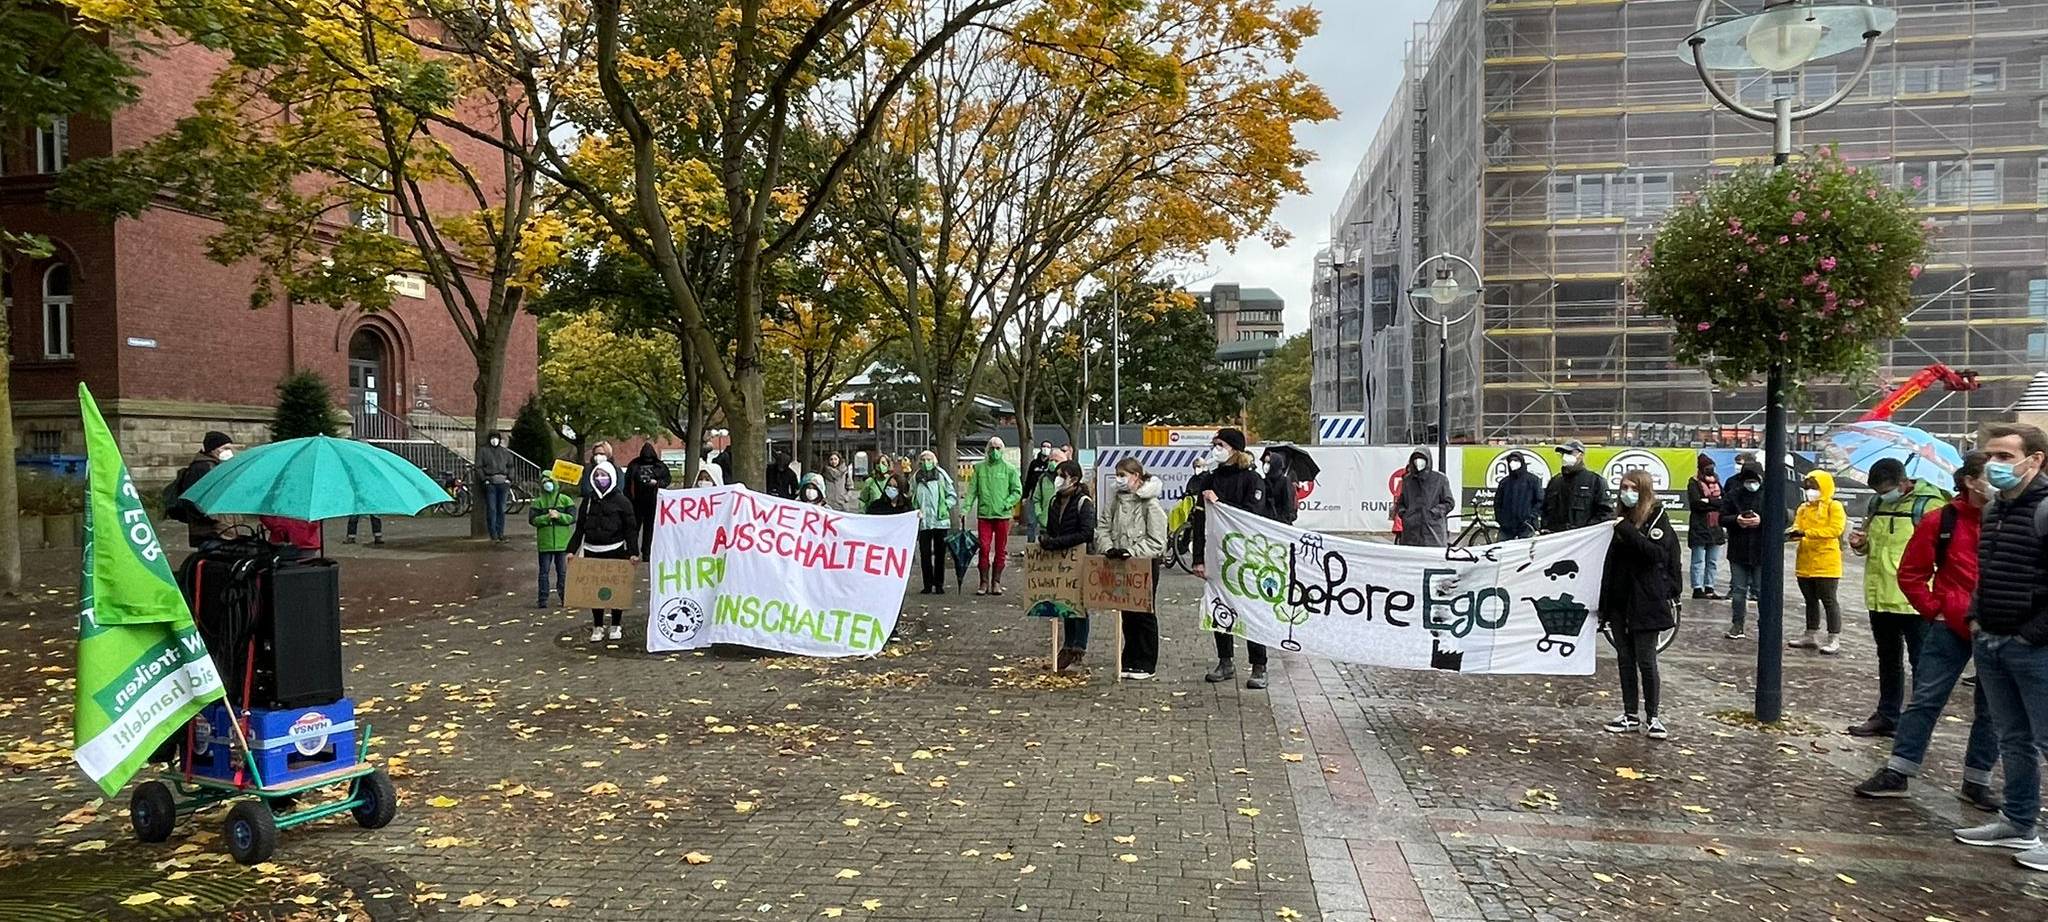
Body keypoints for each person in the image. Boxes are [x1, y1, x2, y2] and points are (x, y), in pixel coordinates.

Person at [1853, 453, 2000, 811]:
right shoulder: (1942, 519)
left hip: (2000, 626)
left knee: (1992, 707)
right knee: (1925, 699)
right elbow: (1912, 572)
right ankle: (1899, 771)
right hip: (1948, 624)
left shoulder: (2017, 520)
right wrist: (1939, 609)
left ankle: (1978, 781)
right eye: (1992, 472)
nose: (2001, 479)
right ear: (1970, 480)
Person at [1951, 423, 2048, 872]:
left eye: (2006, 457)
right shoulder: (1994, 511)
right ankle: (2018, 821)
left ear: (2036, 460)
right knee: (2013, 739)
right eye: (1990, 455)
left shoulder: (2045, 509)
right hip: (1990, 639)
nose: (1994, 465)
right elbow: (1986, 572)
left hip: (2034, 647)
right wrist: (1975, 616)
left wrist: (2031, 634)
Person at [1846, 457, 1950, 737]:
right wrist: (1860, 544)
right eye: (1879, 492)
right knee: (1887, 659)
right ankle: (1887, 714)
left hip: (1915, 600)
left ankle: (1918, 722)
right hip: (1879, 596)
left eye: (1887, 490)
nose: (1884, 496)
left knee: (1922, 662)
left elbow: (1946, 552)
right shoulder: (1876, 504)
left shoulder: (1930, 506)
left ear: (1904, 482)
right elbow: (1870, 544)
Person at [1600, 469, 1680, 740]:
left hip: (1646, 601)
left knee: (1646, 660)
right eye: (1623, 487)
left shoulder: (1657, 518)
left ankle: (1654, 716)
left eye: (1633, 488)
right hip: (1620, 602)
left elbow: (1656, 554)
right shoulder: (1617, 521)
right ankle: (1630, 714)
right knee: (1625, 660)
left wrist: (1626, 530)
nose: (1627, 493)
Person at [1189, 428, 1272, 690]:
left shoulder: (1252, 479)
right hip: (1217, 556)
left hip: (1247, 557)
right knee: (1220, 608)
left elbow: (1252, 514)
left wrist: (1221, 503)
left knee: (1251, 610)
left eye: (1220, 444)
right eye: (1214, 444)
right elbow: (1200, 519)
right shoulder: (1210, 479)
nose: (1215, 448)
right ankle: (1225, 661)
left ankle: (1259, 665)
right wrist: (1198, 558)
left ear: (1234, 448)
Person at [1097, 458, 1167, 679]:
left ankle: (1146, 661)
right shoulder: (1115, 501)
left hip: (1143, 563)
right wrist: (1109, 548)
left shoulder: (1150, 504)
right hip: (1119, 561)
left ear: (1136, 476)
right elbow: (1102, 527)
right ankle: (1130, 657)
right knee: (1126, 611)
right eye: (1117, 475)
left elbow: (1157, 541)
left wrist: (1132, 551)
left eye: (1123, 475)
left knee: (1143, 611)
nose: (1119, 479)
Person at [568, 450, 638, 643]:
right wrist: (571, 550)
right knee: (594, 592)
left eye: (604, 475)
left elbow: (631, 529)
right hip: (592, 550)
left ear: (612, 478)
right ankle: (598, 625)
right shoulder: (589, 501)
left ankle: (616, 624)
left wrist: (633, 552)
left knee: (615, 590)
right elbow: (580, 527)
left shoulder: (622, 502)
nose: (601, 479)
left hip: (615, 550)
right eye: (597, 475)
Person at [1036, 459, 1097, 671]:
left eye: (1063, 476)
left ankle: (1078, 648)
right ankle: (1066, 646)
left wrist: (1057, 542)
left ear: (1075, 479)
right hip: (1061, 562)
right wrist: (1046, 540)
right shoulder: (1055, 501)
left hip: (1079, 560)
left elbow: (1086, 533)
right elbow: (1053, 528)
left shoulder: (1084, 502)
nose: (1058, 480)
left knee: (1078, 605)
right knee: (1064, 603)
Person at [1787, 470, 1847, 654]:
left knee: (1829, 600)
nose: (1810, 491)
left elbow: (1835, 529)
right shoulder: (1803, 508)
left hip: (1826, 562)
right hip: (1805, 561)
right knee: (1810, 600)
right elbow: (1798, 526)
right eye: (1808, 487)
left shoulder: (1834, 506)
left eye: (1814, 487)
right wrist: (1793, 533)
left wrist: (1807, 533)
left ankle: (1833, 637)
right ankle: (1810, 634)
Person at [1719, 457, 1766, 639]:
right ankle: (1737, 625)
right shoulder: (1734, 494)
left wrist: (1761, 520)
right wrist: (1737, 520)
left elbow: (1782, 517)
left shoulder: (1769, 494)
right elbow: (1722, 517)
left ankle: (1765, 625)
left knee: (1761, 591)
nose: (1751, 484)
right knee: (1738, 591)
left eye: (1754, 480)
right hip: (1738, 550)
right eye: (1747, 480)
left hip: (1761, 550)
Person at [970, 438, 1023, 595]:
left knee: (1001, 550)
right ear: (987, 450)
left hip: (1003, 516)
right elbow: (972, 490)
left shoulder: (1010, 469)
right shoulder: (979, 468)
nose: (995, 451)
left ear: (1003, 450)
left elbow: (1017, 490)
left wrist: (1007, 503)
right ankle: (983, 582)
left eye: (998, 448)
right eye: (992, 448)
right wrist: (965, 508)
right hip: (984, 515)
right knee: (984, 548)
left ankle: (996, 582)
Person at [167, 431, 234, 547]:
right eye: (225, 448)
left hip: (221, 530)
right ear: (213, 449)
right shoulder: (201, 468)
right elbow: (192, 499)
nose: (229, 452)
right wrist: (212, 518)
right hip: (211, 532)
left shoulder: (216, 466)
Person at [912, 450, 958, 594]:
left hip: (940, 521)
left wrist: (946, 506)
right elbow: (911, 495)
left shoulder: (941, 476)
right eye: (924, 460)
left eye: (929, 459)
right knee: (924, 554)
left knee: (940, 554)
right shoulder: (915, 478)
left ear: (934, 461)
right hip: (923, 521)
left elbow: (952, 495)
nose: (926, 463)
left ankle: (939, 584)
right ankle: (927, 584)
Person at [529, 472, 577, 609]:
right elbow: (532, 520)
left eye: (549, 481)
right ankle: (542, 599)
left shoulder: (565, 500)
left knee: (562, 572)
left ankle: (565, 597)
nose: (547, 484)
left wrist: (559, 516)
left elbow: (572, 518)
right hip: (545, 544)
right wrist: (546, 518)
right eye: (544, 482)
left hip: (562, 544)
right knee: (544, 572)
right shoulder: (538, 502)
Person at [1542, 440, 1611, 533]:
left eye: (1570, 453)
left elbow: (1605, 513)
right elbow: (1545, 512)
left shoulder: (1595, 481)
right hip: (1556, 540)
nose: (1565, 456)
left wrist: (1585, 531)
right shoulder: (1554, 482)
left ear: (1581, 455)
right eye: (1563, 453)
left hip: (1583, 541)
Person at [1685, 454, 1727, 599]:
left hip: (1715, 527)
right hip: (1699, 526)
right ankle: (1697, 588)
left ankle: (1710, 587)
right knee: (1698, 560)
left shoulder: (1717, 482)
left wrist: (1707, 501)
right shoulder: (1693, 482)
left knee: (1713, 561)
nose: (1710, 470)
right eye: (1708, 468)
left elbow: (1724, 501)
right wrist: (1714, 502)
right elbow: (1696, 504)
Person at [1393, 450, 1452, 547]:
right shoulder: (1407, 480)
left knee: (1434, 560)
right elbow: (1401, 502)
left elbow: (1449, 502)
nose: (1418, 461)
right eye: (1415, 458)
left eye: (1421, 458)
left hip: (1433, 533)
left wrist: (1434, 513)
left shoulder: (1440, 479)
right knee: (1411, 560)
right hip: (1410, 534)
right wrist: (1405, 515)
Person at [625, 443, 672, 558]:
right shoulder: (634, 465)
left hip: (653, 503)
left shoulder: (659, 466)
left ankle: (647, 552)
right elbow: (627, 483)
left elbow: (666, 480)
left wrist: (657, 483)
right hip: (636, 503)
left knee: (650, 530)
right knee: (633, 529)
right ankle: (633, 551)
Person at [477, 430, 516, 542]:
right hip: (490, 482)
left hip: (503, 483)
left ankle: (500, 533)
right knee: (492, 509)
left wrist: (509, 479)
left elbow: (510, 466)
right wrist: (485, 480)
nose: (494, 440)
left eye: (496, 438)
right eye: (492, 438)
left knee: (501, 509)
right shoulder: (483, 451)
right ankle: (493, 534)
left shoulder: (504, 452)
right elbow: (479, 466)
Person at [1494, 451, 1542, 541]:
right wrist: (1501, 519)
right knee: (1501, 550)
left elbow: (1540, 501)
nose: (1512, 463)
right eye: (1510, 461)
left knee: (1526, 552)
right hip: (1506, 527)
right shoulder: (1504, 482)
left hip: (1527, 526)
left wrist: (1531, 517)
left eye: (1516, 460)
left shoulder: (1533, 480)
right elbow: (1497, 502)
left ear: (1521, 462)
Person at [1029, 445, 1066, 545]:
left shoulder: (1068, 479)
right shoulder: (1043, 478)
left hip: (1063, 525)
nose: (1052, 463)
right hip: (1045, 524)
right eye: (1051, 460)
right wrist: (1039, 514)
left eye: (1056, 460)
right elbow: (1036, 498)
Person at [1021, 441, 1054, 542]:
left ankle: (1044, 543)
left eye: (1048, 447)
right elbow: (1028, 481)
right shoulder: (1034, 463)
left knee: (1045, 523)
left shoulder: (1051, 464)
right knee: (1032, 522)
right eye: (1044, 446)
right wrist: (1025, 496)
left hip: (1047, 497)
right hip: (1034, 497)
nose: (1046, 448)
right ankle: (1030, 545)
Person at [1260, 449, 1300, 525]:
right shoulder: (1263, 481)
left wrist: (1281, 519)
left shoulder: (1284, 481)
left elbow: (1288, 505)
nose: (1266, 465)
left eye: (1268, 462)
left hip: (1280, 522)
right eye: (1265, 462)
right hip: (1266, 522)